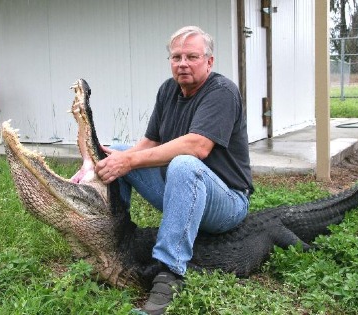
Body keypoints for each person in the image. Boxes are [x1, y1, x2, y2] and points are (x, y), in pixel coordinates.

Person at [95, 26, 253, 314]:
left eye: (192, 56)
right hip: (182, 187)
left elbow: (198, 146)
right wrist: (117, 158)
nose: (182, 63)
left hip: (227, 203)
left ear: (209, 61)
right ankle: (117, 239)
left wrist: (129, 162)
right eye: (176, 57)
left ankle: (169, 273)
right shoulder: (168, 90)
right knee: (116, 150)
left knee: (184, 163)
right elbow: (150, 141)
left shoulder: (222, 92)